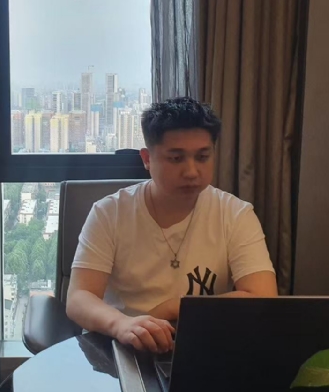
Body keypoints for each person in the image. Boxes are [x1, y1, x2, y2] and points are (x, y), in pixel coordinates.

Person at [66, 97, 277, 353]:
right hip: (121, 347)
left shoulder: (235, 214)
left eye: (202, 157)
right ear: (147, 158)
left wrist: (173, 307)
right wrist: (122, 324)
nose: (191, 172)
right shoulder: (109, 212)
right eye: (176, 158)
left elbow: (262, 298)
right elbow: (79, 297)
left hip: (202, 346)